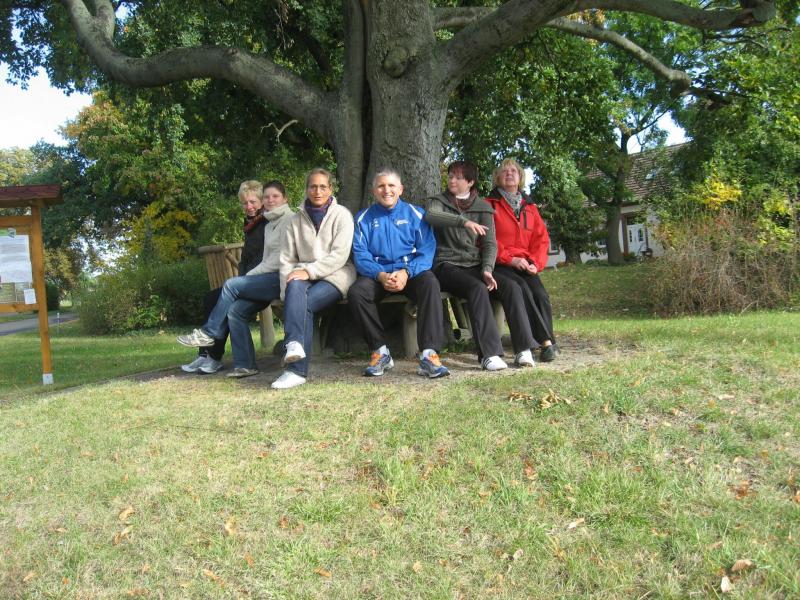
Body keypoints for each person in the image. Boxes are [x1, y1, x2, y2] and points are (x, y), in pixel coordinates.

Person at [177, 180, 294, 378]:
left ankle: (209, 338)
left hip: (279, 279)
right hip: (261, 279)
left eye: (273, 197)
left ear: (285, 199)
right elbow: (255, 259)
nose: (250, 206)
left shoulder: (284, 220)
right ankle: (244, 365)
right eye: (267, 197)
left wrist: (246, 279)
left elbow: (277, 260)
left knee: (230, 286)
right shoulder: (265, 224)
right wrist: (246, 279)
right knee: (233, 309)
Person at [348, 168, 449, 378]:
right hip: (378, 275)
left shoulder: (417, 214)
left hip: (411, 273)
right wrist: (380, 275)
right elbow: (361, 256)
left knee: (430, 283)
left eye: (391, 185)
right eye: (381, 186)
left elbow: (427, 252)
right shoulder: (363, 218)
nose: (387, 190)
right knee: (357, 293)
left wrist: (406, 272)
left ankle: (429, 355)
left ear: (400, 189)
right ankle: (380, 352)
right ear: (374, 191)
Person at [271, 168, 356, 389]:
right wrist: (286, 296)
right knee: (294, 284)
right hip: (302, 274)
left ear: (330, 189)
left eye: (323, 187)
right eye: (313, 186)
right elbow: (287, 259)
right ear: (307, 189)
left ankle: (296, 371)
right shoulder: (295, 220)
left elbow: (339, 256)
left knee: (305, 302)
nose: (318, 191)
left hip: (336, 275)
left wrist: (309, 271)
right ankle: (294, 346)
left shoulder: (342, 215)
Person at [425, 160, 509, 371]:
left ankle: (524, 347)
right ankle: (489, 355)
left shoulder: (483, 207)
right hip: (445, 264)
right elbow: (432, 216)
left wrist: (487, 269)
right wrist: (463, 222)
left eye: (458, 177)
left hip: (473, 263)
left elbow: (490, 244)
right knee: (477, 288)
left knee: (507, 286)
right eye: (450, 176)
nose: (452, 180)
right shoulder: (438, 201)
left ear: (470, 182)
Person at [484, 158, 557, 363]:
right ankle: (546, 342)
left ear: (521, 177)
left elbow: (541, 239)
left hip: (526, 263)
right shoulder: (489, 205)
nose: (509, 173)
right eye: (504, 171)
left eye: (514, 171)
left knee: (540, 295)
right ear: (497, 177)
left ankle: (547, 341)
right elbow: (486, 240)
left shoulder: (530, 207)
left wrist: (535, 263)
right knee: (522, 289)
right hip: (500, 263)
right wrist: (510, 259)